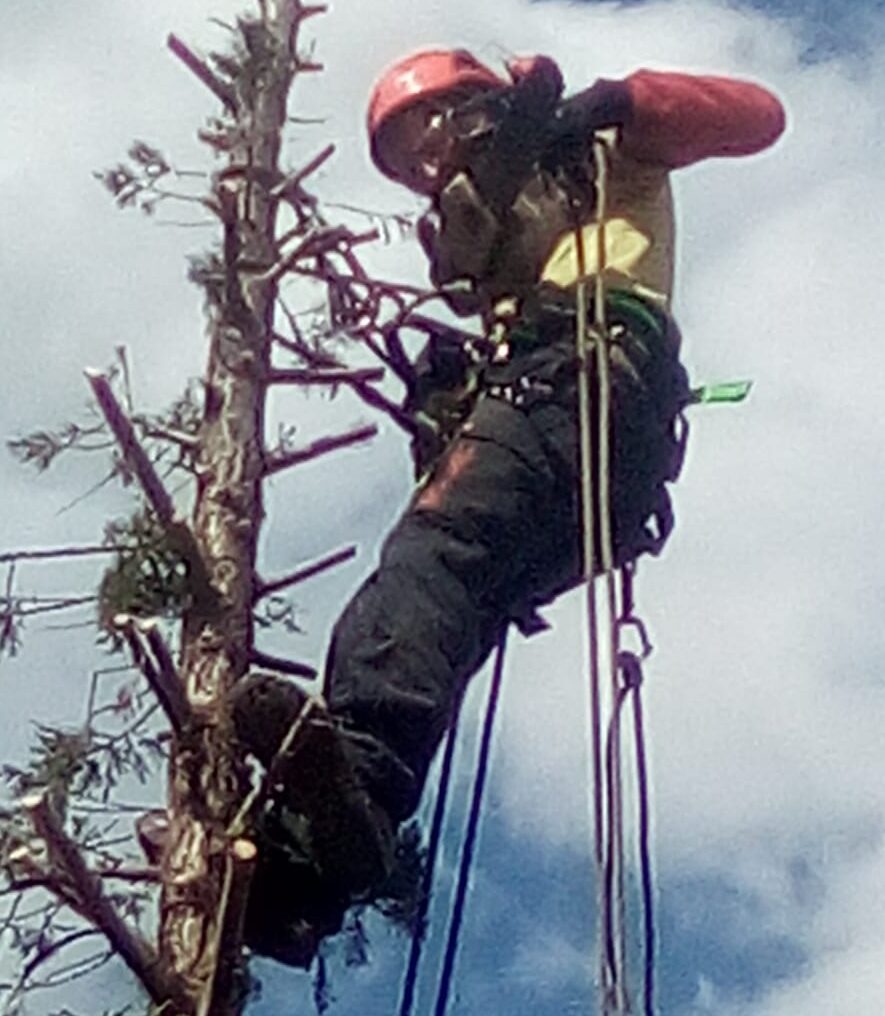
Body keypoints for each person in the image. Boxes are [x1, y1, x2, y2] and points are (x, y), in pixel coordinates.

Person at [233, 49, 786, 966]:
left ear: (472, 103)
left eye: (424, 131)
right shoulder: (476, 225)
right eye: (404, 155)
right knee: (439, 619)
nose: (422, 163)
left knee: (428, 563)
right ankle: (300, 879)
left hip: (579, 387)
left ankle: (355, 790)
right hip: (577, 448)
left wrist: (616, 103)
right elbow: (475, 269)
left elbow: (756, 113)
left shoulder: (598, 151)